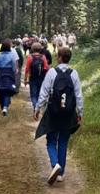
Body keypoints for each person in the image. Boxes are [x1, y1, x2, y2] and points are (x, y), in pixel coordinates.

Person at [34, 45, 83, 184]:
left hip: (53, 112)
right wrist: (80, 112)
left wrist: (38, 108)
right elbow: (78, 95)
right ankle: (61, 174)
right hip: (68, 113)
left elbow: (44, 92)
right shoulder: (74, 73)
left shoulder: (52, 72)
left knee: (51, 141)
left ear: (59, 58)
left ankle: (55, 164)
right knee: (63, 142)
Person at [0, 38, 19, 116]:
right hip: (9, 74)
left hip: (0, 73)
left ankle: (2, 107)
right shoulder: (12, 55)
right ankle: (5, 107)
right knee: (8, 91)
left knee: (1, 91)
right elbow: (14, 66)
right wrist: (15, 72)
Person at [24, 41, 50, 111]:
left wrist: (25, 79)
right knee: (39, 93)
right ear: (40, 49)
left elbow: (27, 69)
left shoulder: (30, 57)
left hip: (32, 78)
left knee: (33, 94)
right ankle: (38, 107)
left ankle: (35, 106)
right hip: (41, 78)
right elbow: (46, 68)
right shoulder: (43, 57)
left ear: (32, 48)